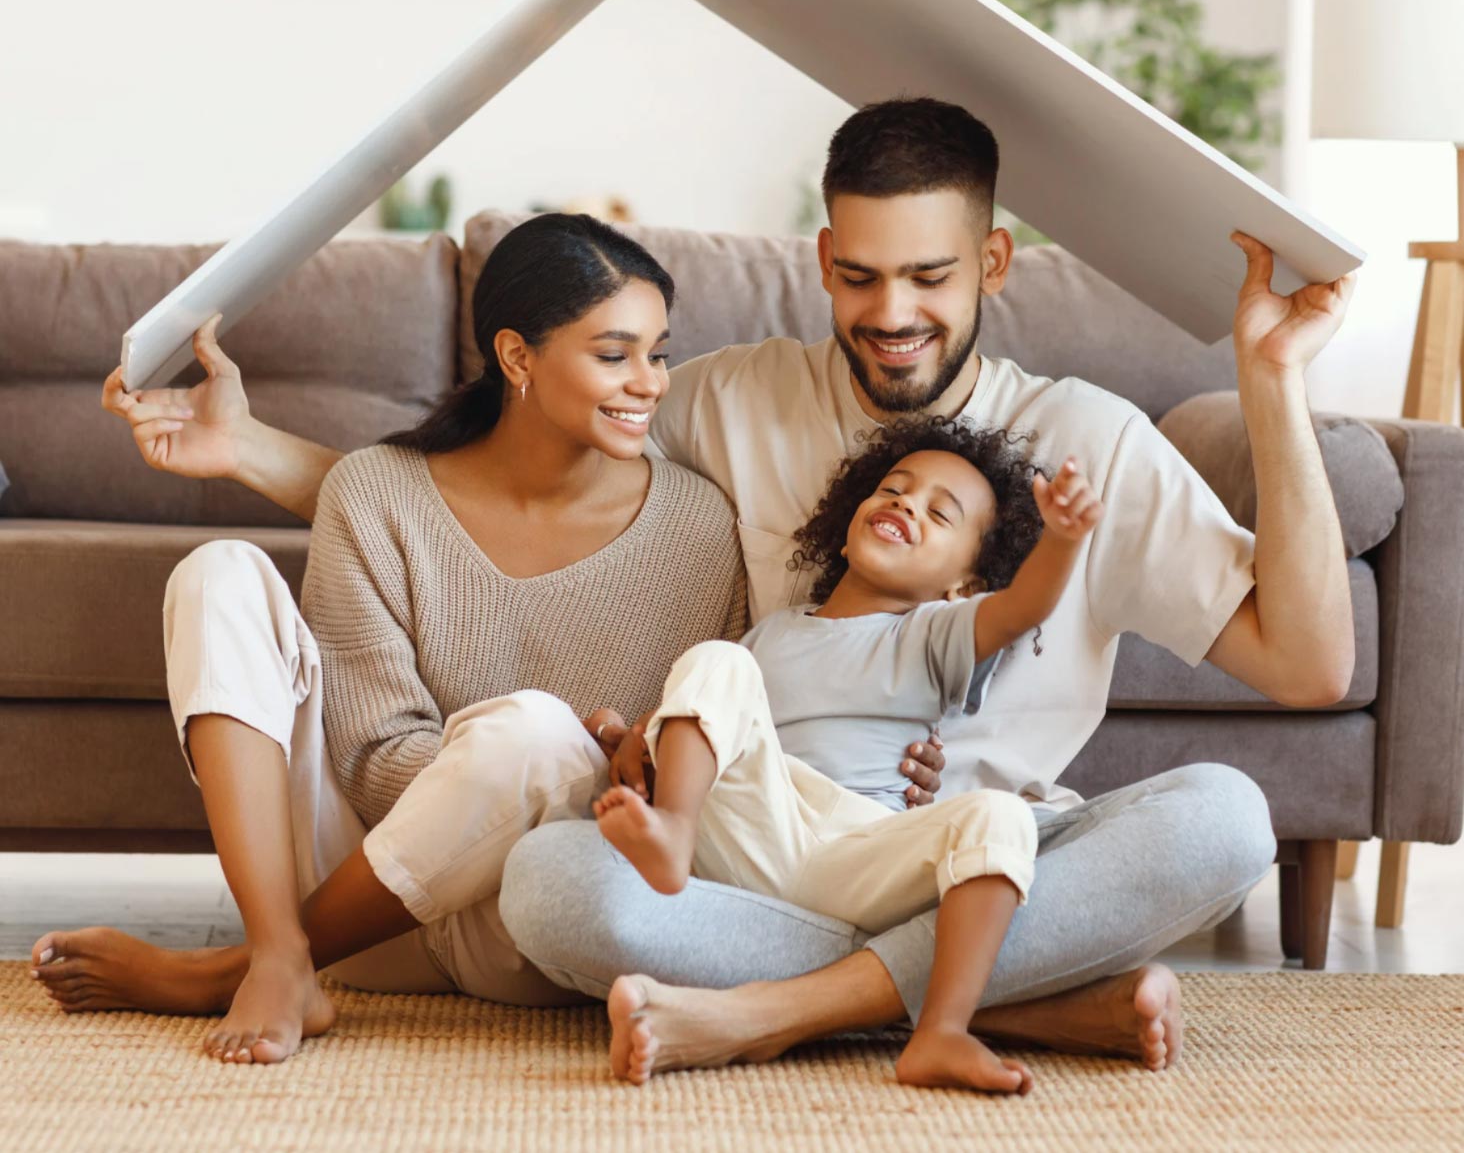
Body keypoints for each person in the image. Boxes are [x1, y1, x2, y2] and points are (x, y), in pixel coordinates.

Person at [47, 96, 1355, 1077]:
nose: (890, 311)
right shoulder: (723, 402)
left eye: (930, 278)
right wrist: (254, 453)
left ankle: (783, 1012)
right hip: (737, 863)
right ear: (820, 258)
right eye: (858, 275)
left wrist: (1273, 383)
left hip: (961, 856)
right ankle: (997, 1000)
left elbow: (1306, 667)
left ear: (996, 266)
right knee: (558, 889)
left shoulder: (1091, 442)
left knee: (1225, 822)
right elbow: (487, 493)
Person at [30, 213, 756, 1065]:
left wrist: (602, 759)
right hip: (371, 905)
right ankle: (278, 948)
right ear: (518, 357)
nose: (650, 383)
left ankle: (238, 968)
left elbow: (704, 752)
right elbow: (372, 759)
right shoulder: (376, 490)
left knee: (532, 732)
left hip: (533, 916)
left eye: (659, 353)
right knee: (218, 571)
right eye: (614, 354)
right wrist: (482, 773)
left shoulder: (701, 525)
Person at [596, 422, 1104, 1092]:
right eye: (893, 490)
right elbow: (718, 717)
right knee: (717, 659)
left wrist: (1063, 540)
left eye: (938, 513)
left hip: (856, 847)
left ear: (965, 583)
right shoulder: (771, 631)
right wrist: (633, 738)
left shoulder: (931, 635)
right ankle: (672, 832)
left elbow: (1022, 608)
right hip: (753, 833)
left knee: (1000, 817)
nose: (905, 505)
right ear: (845, 526)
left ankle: (942, 1031)